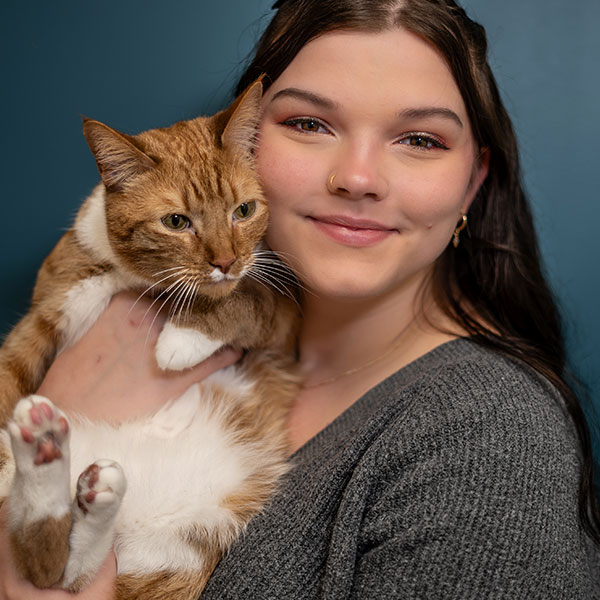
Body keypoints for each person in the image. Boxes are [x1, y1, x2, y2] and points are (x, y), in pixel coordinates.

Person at [1, 0, 599, 597]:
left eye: (420, 138)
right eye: (309, 124)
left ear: (472, 181)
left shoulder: (490, 437)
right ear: (242, 141)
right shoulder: (146, 330)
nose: (357, 177)